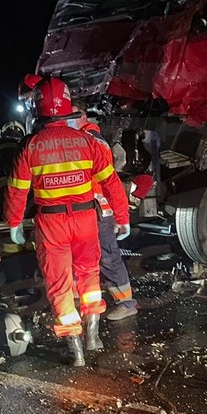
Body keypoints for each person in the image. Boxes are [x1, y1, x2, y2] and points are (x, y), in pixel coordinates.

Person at [4, 75, 130, 367]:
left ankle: (76, 351)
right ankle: (93, 336)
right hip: (86, 219)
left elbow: (17, 191)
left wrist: (14, 223)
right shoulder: (86, 141)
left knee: (60, 284)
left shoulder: (30, 146)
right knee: (89, 276)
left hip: (52, 225)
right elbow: (111, 183)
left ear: (38, 109)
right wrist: (122, 216)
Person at [70, 102, 138, 321]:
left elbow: (110, 181)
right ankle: (80, 300)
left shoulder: (91, 140)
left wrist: (121, 215)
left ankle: (126, 303)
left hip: (98, 211)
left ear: (83, 117)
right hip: (87, 211)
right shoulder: (84, 138)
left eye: (71, 116)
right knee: (84, 257)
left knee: (108, 258)